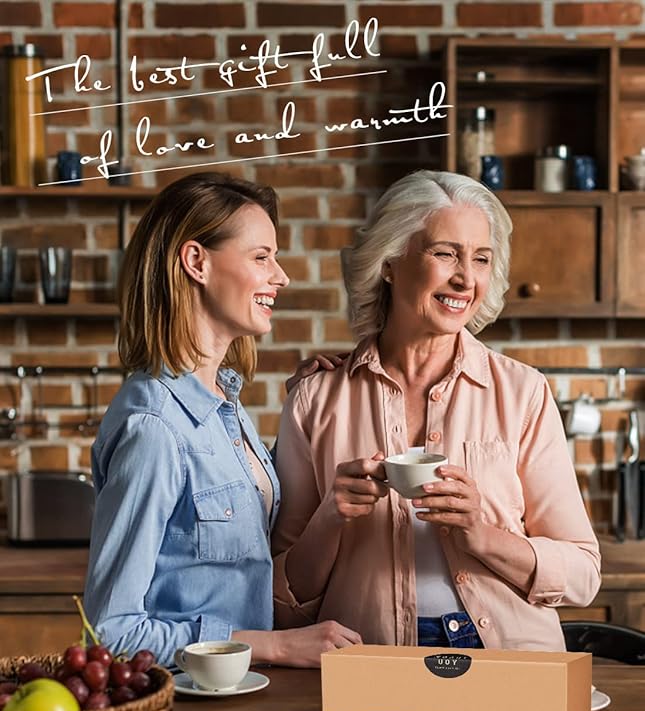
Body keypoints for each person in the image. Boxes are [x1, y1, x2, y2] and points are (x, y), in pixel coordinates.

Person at [271, 169, 601, 651]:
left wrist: (481, 535)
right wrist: (330, 517)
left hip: (510, 656)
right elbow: (282, 602)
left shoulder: (523, 393)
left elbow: (583, 574)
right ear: (389, 261)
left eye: (481, 258)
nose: (466, 278)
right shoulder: (316, 399)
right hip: (371, 656)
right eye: (445, 253)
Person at [83, 172, 361, 668]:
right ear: (197, 262)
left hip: (238, 692)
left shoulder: (224, 405)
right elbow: (112, 636)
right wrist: (275, 645)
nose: (281, 276)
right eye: (262, 257)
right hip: (185, 700)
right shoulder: (154, 427)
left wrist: (303, 406)